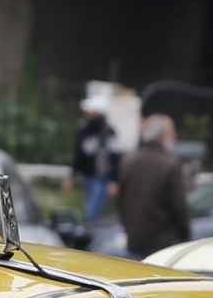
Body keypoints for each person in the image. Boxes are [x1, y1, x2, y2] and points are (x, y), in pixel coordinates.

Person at [115, 114, 191, 259]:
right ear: (161, 136)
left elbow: (120, 201)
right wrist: (186, 235)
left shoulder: (128, 161)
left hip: (135, 240)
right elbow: (179, 206)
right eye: (171, 131)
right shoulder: (170, 164)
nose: (175, 135)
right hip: (163, 242)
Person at [71, 94, 120, 222]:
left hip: (101, 176)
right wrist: (73, 174)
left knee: (93, 209)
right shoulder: (83, 128)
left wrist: (114, 180)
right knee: (88, 206)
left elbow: (114, 157)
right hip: (88, 175)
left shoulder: (108, 132)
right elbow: (78, 153)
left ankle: (90, 229)